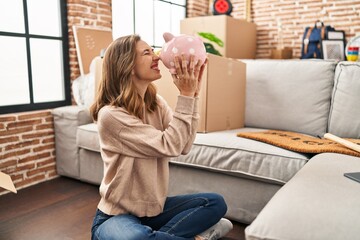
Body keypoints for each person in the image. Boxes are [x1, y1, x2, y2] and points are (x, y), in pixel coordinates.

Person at [90, 34, 233, 240]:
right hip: (116, 217)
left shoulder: (154, 102)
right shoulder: (111, 115)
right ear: (127, 65)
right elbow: (171, 145)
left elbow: (184, 145)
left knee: (214, 203)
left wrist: (193, 94)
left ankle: (159, 236)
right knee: (136, 238)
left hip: (154, 212)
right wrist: (185, 95)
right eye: (147, 52)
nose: (157, 57)